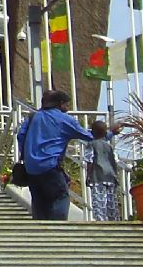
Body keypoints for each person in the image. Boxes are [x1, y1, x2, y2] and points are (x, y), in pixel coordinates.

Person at [14, 89, 89, 221]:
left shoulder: (33, 117)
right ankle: (57, 229)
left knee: (38, 199)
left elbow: (21, 135)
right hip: (49, 165)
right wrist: (108, 133)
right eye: (66, 105)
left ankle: (41, 231)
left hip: (31, 168)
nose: (68, 108)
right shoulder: (65, 119)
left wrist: (28, 154)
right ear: (60, 104)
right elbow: (87, 135)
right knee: (61, 195)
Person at [85, 117, 119, 222]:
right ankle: (113, 220)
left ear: (93, 133)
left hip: (97, 176)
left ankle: (101, 220)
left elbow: (90, 160)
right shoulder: (109, 146)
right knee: (111, 201)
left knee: (99, 200)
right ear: (105, 133)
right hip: (111, 176)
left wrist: (88, 175)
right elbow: (115, 160)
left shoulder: (91, 144)